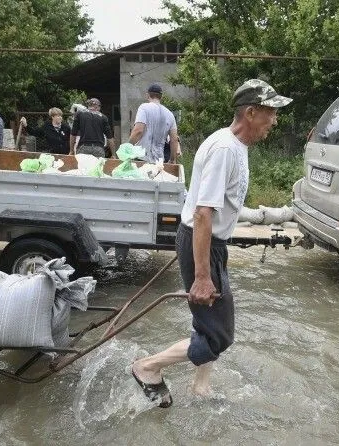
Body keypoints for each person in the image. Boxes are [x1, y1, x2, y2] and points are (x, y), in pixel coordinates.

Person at [130, 79, 292, 407]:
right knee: (220, 334)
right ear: (250, 112)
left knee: (208, 322)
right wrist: (202, 275)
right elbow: (204, 214)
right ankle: (148, 367)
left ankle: (201, 387)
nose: (274, 121)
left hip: (207, 244)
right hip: (203, 242)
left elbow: (219, 207)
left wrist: (266, 217)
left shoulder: (234, 146)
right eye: (270, 113)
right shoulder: (225, 150)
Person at [128, 84, 180, 163]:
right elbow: (174, 139)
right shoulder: (170, 114)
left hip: (142, 158)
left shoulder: (144, 107)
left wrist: (128, 147)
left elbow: (138, 131)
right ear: (161, 97)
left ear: (147, 95)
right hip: (159, 161)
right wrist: (172, 160)